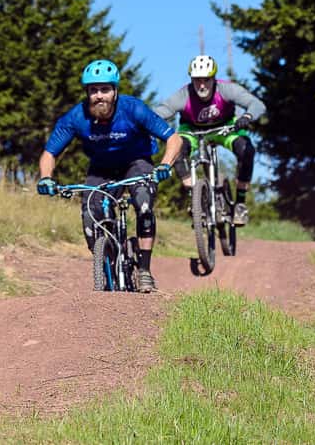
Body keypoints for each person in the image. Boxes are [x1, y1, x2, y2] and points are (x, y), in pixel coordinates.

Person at [36, 59, 183, 293]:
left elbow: (174, 139)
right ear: (87, 93)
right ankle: (107, 261)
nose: (99, 96)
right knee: (89, 216)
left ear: (115, 91)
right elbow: (49, 153)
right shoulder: (77, 117)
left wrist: (165, 165)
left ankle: (144, 269)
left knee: (144, 204)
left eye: (104, 89)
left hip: (137, 163)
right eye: (93, 90)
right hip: (101, 168)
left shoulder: (133, 109)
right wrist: (45, 178)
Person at [152, 55, 265, 226]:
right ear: (191, 80)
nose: (202, 85)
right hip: (192, 130)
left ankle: (240, 203)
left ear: (214, 79)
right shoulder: (183, 95)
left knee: (247, 150)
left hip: (225, 128)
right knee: (177, 150)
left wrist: (247, 116)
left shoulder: (227, 89)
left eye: (206, 80)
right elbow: (159, 113)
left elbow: (257, 104)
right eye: (197, 80)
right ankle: (195, 199)